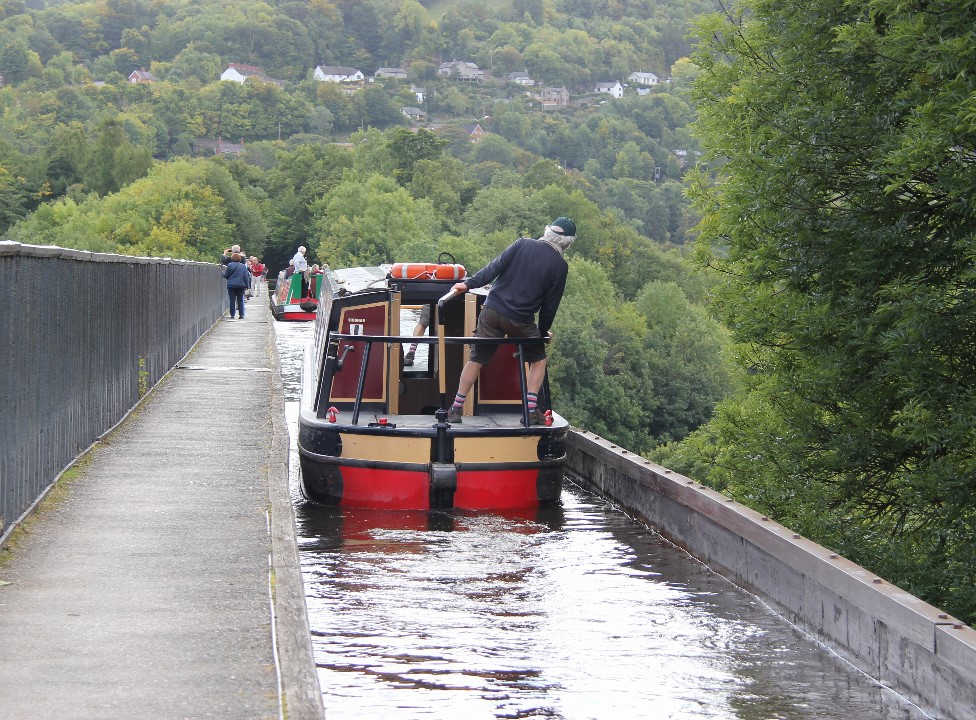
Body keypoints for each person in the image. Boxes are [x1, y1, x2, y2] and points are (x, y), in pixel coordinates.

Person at [446, 216, 576, 425]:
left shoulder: (522, 244)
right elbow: (549, 306)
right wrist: (542, 332)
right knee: (538, 360)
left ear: (547, 232)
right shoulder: (560, 266)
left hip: (492, 310)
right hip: (520, 320)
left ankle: (455, 408)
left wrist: (468, 284)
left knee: (476, 359)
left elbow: (493, 268)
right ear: (567, 243)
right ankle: (531, 411)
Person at [223, 252, 250, 319]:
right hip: (241, 285)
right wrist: (247, 285)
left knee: (232, 300)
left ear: (232, 258)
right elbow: (246, 276)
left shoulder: (230, 265)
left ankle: (232, 314)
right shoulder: (243, 266)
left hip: (231, 285)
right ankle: (241, 315)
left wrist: (222, 274)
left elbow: (226, 275)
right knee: (240, 299)